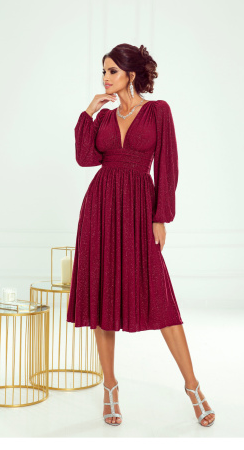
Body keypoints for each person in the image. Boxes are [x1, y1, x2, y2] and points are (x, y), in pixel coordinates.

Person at [66, 44, 215, 427]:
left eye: (112, 71)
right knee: (102, 297)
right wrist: (89, 112)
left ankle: (193, 386)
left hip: (138, 208)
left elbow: (167, 165)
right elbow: (86, 159)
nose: (105, 78)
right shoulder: (104, 117)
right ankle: (110, 386)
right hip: (100, 208)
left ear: (130, 74)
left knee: (160, 297)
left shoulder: (158, 111)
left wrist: (160, 218)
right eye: (103, 71)